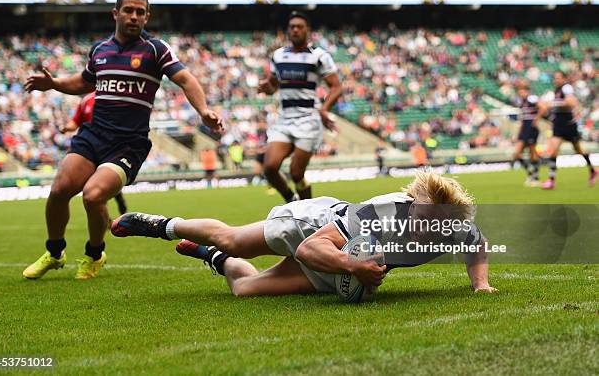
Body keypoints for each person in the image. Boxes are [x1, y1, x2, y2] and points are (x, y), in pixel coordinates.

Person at [22, 0, 222, 280]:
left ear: (147, 17)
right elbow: (83, 82)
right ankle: (55, 252)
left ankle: (94, 254)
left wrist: (203, 111)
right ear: (115, 13)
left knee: (92, 197)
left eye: (140, 12)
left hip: (128, 144)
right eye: (129, 10)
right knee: (59, 190)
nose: (134, 16)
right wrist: (54, 84)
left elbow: (185, 79)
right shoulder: (100, 50)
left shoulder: (155, 49)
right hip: (94, 134)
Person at [111, 171, 496, 298]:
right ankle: (162, 225)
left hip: (339, 262)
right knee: (232, 238)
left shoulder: (452, 227)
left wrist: (480, 285)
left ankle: (214, 259)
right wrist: (355, 267)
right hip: (311, 225)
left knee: (245, 289)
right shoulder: (379, 214)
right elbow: (313, 247)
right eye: (417, 216)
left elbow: (475, 244)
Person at [258, 11, 342, 202]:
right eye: (292, 27)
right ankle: (291, 201)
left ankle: (307, 212)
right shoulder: (278, 55)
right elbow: (274, 85)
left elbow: (337, 87)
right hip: (285, 119)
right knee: (269, 167)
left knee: (296, 173)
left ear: (308, 30)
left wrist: (324, 108)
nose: (295, 30)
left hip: (308, 120)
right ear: (288, 31)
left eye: (299, 27)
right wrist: (266, 87)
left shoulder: (319, 56)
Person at [59, 91, 128, 214]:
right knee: (94, 187)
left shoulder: (114, 97)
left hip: (110, 147)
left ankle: (119, 200)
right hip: (89, 147)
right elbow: (76, 121)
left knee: (105, 179)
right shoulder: (86, 100)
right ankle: (106, 217)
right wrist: (66, 127)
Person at [541, 71, 596, 189]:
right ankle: (551, 180)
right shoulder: (556, 90)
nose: (556, 80)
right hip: (559, 123)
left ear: (564, 79)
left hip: (568, 124)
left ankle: (592, 170)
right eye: (555, 78)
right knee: (553, 150)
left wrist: (553, 103)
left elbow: (571, 102)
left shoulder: (566, 88)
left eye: (558, 78)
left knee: (579, 150)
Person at [512, 86, 546, 187]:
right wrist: (519, 132)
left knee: (532, 153)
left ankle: (535, 177)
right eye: (520, 91)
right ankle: (531, 174)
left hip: (531, 128)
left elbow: (543, 107)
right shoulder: (522, 103)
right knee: (517, 154)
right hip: (524, 129)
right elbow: (522, 118)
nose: (521, 93)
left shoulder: (532, 99)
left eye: (523, 91)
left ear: (527, 91)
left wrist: (537, 119)